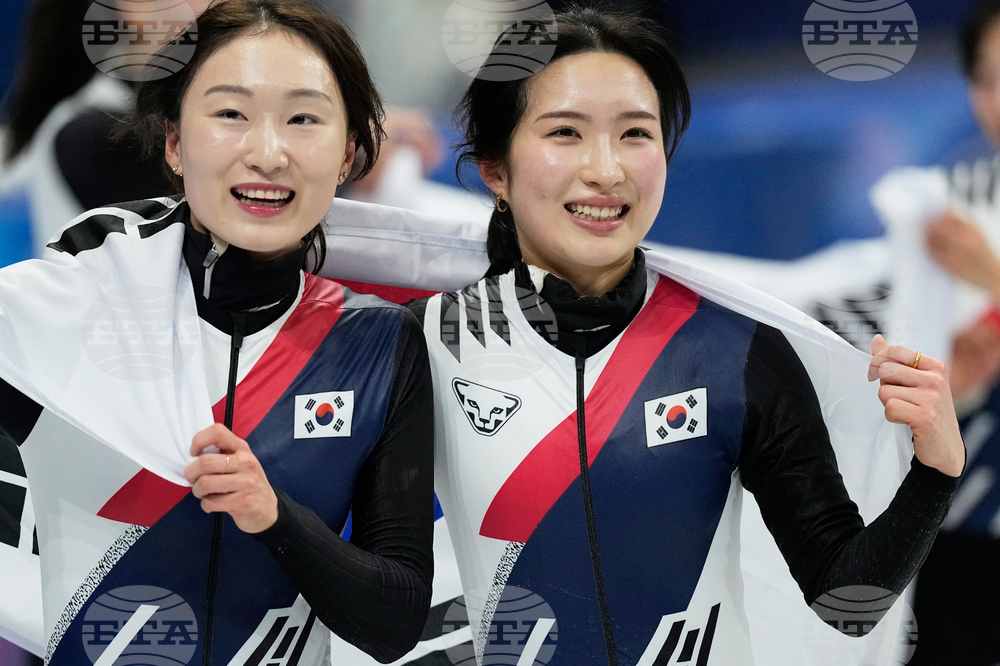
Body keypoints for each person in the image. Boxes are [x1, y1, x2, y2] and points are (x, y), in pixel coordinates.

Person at [317, 7, 965, 664]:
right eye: (565, 132)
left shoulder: (737, 351)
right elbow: (386, 615)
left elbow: (844, 600)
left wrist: (934, 473)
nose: (606, 169)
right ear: (496, 170)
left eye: (635, 133)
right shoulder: (423, 345)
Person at [0, 0, 434, 664]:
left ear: (349, 153)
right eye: (230, 114)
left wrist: (277, 518)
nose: (267, 151)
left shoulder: (380, 344)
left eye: (304, 119)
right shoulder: (58, 315)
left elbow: (395, 621)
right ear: (172, 143)